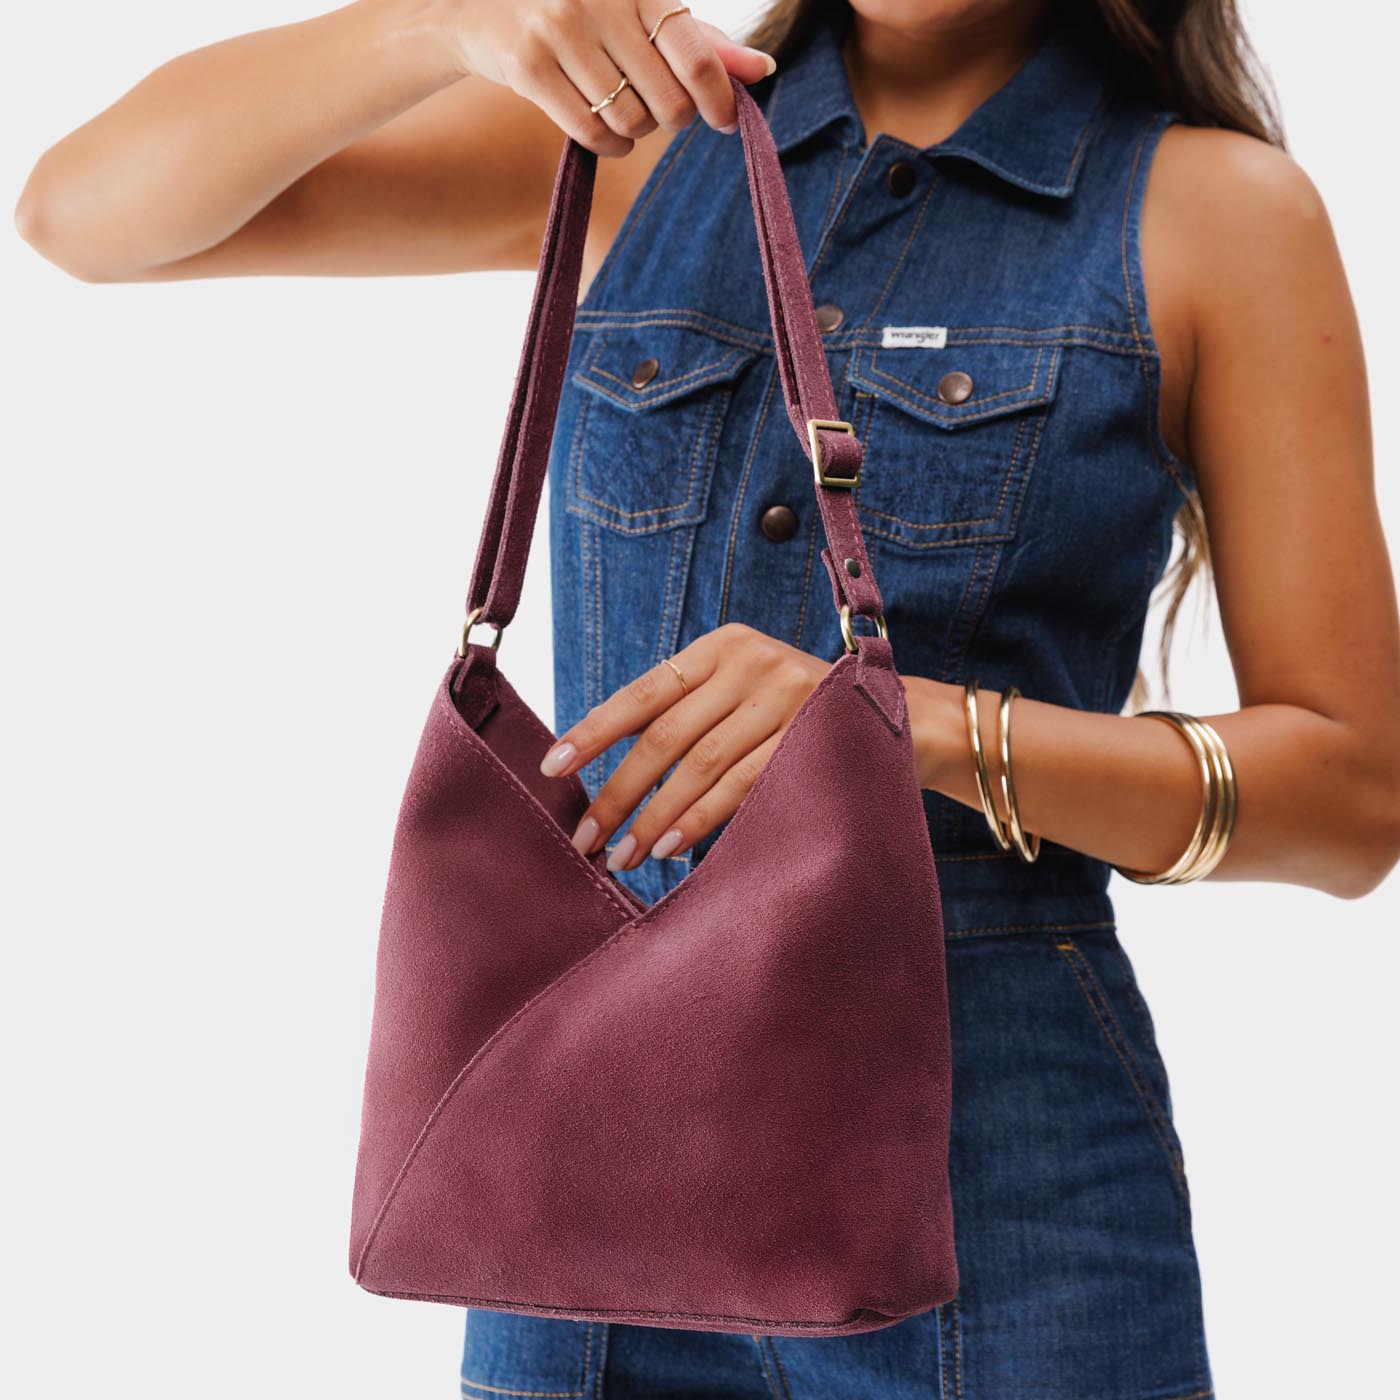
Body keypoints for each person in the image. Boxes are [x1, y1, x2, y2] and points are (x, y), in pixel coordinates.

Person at [16, 0, 1400, 1395]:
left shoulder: (1213, 213)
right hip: (582, 1148)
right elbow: (82, 214)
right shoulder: (646, 143)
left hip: (995, 1178)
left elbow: (1353, 798)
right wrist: (447, 25)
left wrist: (912, 728)